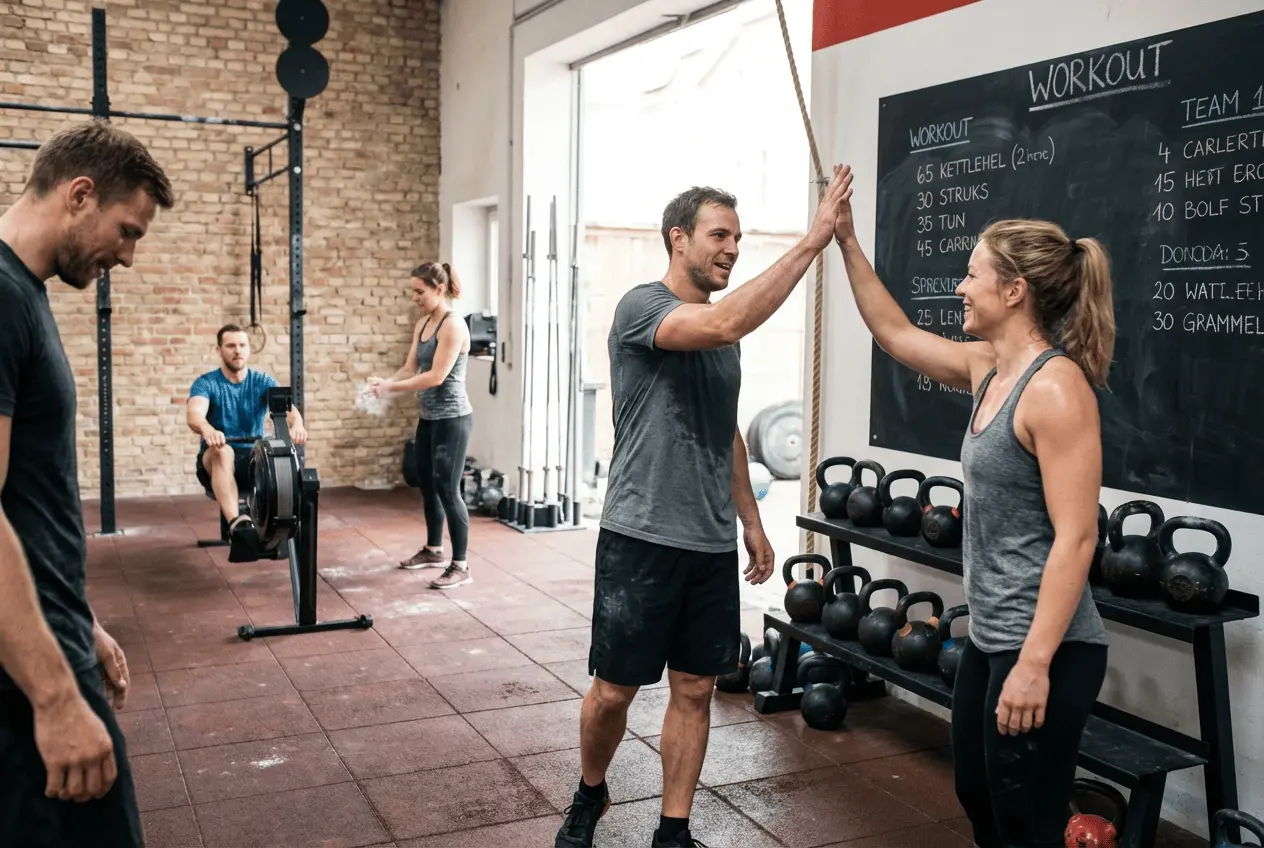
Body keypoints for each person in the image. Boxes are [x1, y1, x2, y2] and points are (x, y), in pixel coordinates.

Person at [554, 169, 852, 848]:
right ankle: (590, 792)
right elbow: (722, 321)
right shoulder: (643, 307)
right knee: (613, 693)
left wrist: (750, 521)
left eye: (740, 238)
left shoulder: (724, 342)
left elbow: (726, 432)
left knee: (694, 690)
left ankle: (673, 829)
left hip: (709, 543)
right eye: (720, 235)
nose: (733, 248)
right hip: (642, 534)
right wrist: (813, 240)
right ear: (678, 237)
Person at [831, 164, 1113, 847]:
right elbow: (895, 333)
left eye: (972, 273)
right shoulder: (991, 367)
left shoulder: (1055, 389)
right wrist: (844, 239)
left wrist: (1036, 664)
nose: (959, 285)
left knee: (1027, 820)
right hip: (993, 636)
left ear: (1014, 290)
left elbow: (1077, 539)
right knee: (978, 794)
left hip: (1047, 645)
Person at [0, 120, 174, 847]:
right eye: (127, 230)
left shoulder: (23, 292)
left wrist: (83, 619)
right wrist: (54, 698)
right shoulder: (3, 299)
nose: (128, 256)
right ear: (79, 194)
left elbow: (27, 499)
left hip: (47, 628)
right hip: (24, 674)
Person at [370, 262, 475, 590]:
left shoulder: (452, 325)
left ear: (439, 289)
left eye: (420, 291)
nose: (414, 296)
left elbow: (436, 377)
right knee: (428, 485)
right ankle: (434, 551)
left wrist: (391, 389)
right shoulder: (423, 324)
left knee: (448, 489)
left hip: (453, 420)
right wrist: (384, 382)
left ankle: (461, 565)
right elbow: (410, 367)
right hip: (429, 418)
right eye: (413, 290)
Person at [185, 324, 308, 562]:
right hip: (215, 461)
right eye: (230, 346)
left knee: (279, 460)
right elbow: (194, 414)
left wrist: (298, 426)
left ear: (249, 349)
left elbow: (290, 411)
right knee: (223, 452)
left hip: (253, 462)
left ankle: (276, 534)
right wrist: (208, 429)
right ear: (219, 350)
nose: (237, 351)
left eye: (242, 345)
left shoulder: (262, 380)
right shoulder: (207, 383)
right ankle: (238, 527)